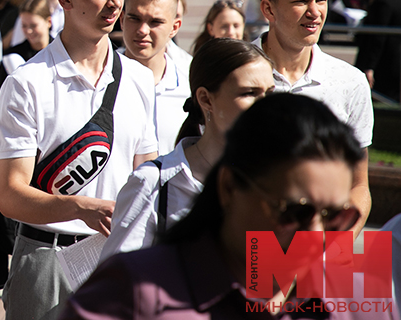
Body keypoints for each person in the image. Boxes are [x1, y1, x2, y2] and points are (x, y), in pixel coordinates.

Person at [59, 93, 381, 320]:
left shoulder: (358, 300)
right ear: (229, 187)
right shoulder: (134, 292)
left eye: (336, 216)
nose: (314, 234)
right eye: (293, 211)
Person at [0, 0, 157, 320]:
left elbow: (146, 176)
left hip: (118, 257)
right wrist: (76, 208)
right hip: (46, 257)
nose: (115, 2)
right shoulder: (27, 83)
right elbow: (9, 195)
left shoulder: (137, 77)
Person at [100, 39, 274, 263]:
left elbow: (293, 287)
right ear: (205, 99)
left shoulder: (280, 183)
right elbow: (115, 285)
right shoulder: (154, 183)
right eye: (249, 93)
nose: (265, 106)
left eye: (269, 94)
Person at [254, 0, 373, 237]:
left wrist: (333, 243)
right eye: (300, 1)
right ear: (268, 9)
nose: (316, 12)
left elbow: (359, 186)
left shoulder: (349, 82)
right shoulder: (235, 76)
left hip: (322, 257)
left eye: (321, 0)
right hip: (251, 250)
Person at [119, 0, 190, 156]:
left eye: (155, 22)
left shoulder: (191, 86)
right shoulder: (98, 80)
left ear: (174, 28)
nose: (142, 30)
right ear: (122, 20)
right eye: (134, 18)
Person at [355, 0, 401, 102]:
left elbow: (378, 38)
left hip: (385, 61)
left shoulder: (383, 2)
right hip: (396, 59)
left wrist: (370, 66)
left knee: (379, 99)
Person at [0, 0, 52, 94]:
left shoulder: (62, 50)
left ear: (48, 22)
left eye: (33, 25)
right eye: (24, 25)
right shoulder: (13, 54)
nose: (28, 31)